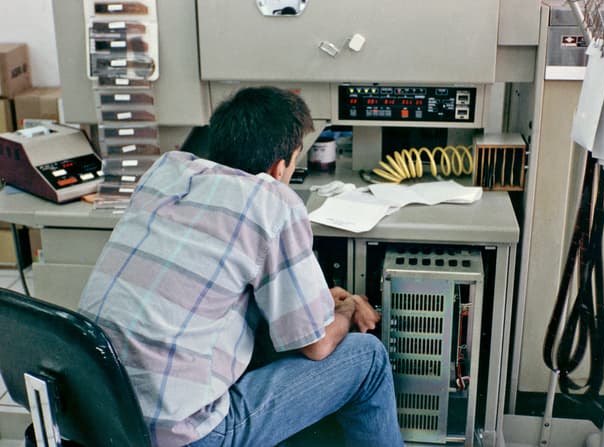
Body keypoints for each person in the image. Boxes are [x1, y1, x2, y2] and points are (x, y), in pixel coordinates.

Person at [78, 86, 403, 447]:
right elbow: (318, 347)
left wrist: (313, 304)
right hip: (184, 436)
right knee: (367, 359)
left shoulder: (166, 173)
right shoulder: (273, 202)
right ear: (281, 167)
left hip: (97, 421)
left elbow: (205, 283)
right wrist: (343, 310)